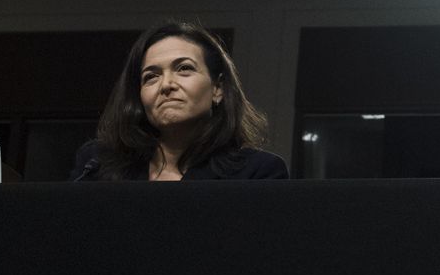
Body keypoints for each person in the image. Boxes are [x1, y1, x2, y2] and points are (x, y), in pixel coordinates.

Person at [70, 20, 289, 181]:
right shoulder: (96, 164)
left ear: (217, 89)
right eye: (151, 76)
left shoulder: (257, 172)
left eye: (184, 68)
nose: (166, 85)